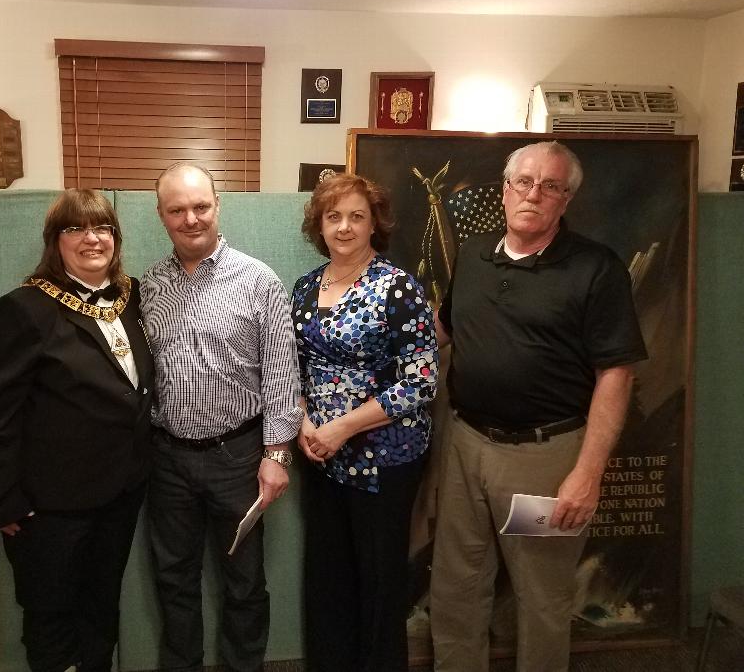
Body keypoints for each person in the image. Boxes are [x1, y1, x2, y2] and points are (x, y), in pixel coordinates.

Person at [429, 141, 648, 672]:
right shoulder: (475, 258)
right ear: (505, 191)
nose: (534, 194)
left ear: (566, 199)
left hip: (547, 461)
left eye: (551, 186)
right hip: (465, 447)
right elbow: (444, 332)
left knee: (543, 598)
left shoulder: (597, 269)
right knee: (456, 588)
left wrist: (587, 475)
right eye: (524, 182)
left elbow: (616, 374)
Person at [0, 189, 154, 672]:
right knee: (51, 614)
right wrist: (2, 500)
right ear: (55, 241)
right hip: (48, 505)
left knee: (100, 607)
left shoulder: (131, 298)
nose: (93, 238)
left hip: (120, 492)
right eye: (76, 228)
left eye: (103, 228)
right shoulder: (24, 309)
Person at [140, 162, 303, 672]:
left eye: (201, 206)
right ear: (162, 216)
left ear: (218, 205)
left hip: (239, 457)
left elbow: (281, 375)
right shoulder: (146, 288)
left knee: (245, 583)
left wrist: (277, 455)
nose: (191, 219)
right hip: (167, 460)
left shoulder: (259, 281)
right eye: (178, 210)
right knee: (174, 581)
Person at [291, 174, 438, 672]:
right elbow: (294, 366)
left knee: (378, 584)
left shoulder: (398, 287)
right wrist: (307, 423)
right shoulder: (306, 286)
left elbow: (420, 380)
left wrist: (341, 428)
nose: (345, 227)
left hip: (384, 460)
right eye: (334, 216)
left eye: (357, 216)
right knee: (329, 579)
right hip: (320, 455)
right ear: (320, 224)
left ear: (375, 222)